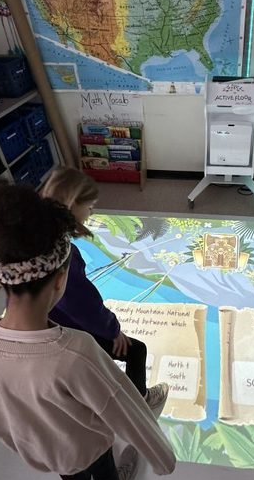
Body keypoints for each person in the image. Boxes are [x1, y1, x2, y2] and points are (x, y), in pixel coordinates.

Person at [0, 183, 175, 480]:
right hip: (87, 445)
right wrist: (163, 459)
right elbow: (124, 409)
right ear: (61, 279)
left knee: (73, 475)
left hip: (41, 451)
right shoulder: (76, 351)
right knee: (105, 469)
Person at [40, 167, 168, 410]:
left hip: (51, 326)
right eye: (89, 207)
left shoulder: (37, 238)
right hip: (68, 334)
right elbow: (82, 304)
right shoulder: (64, 253)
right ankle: (140, 407)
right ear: (73, 205)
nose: (91, 213)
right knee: (136, 350)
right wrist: (112, 330)